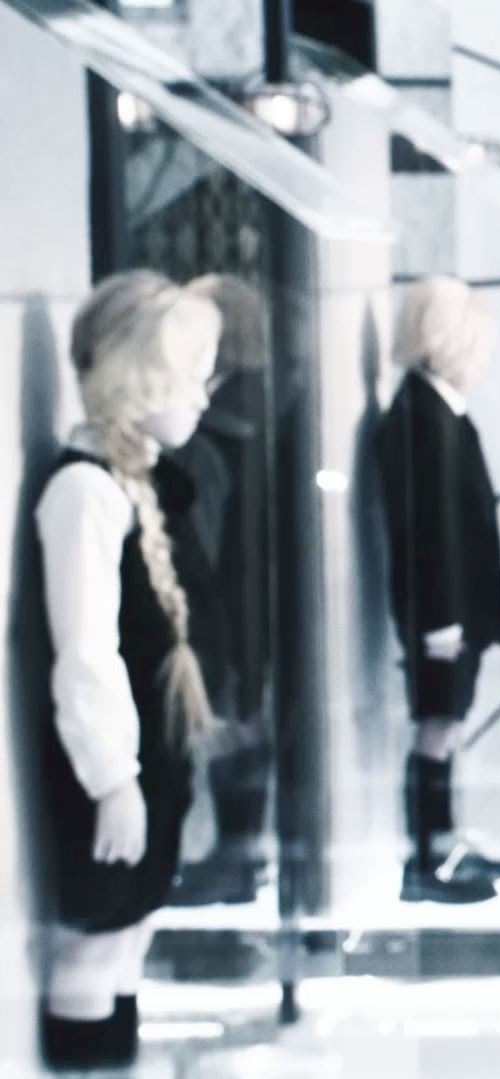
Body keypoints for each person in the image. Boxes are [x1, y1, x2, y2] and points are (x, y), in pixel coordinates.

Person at [36, 270, 224, 1070]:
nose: (204, 398)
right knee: (98, 942)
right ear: (140, 378)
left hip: (148, 759)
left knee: (130, 933)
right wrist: (113, 779)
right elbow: (84, 650)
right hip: (112, 766)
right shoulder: (85, 491)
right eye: (190, 378)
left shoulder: (135, 482)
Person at [375, 276, 500, 904]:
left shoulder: (434, 412)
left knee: (447, 726)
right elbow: (428, 531)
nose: (482, 361)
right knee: (437, 728)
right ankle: (427, 856)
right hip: (443, 616)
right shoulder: (422, 419)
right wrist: (438, 619)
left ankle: (442, 841)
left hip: (455, 612)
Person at [167, 273, 274, 907]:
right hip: (252, 602)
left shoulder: (215, 427)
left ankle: (236, 856)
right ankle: (241, 856)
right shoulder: (261, 407)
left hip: (228, 604)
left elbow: (200, 549)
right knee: (243, 721)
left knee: (231, 722)